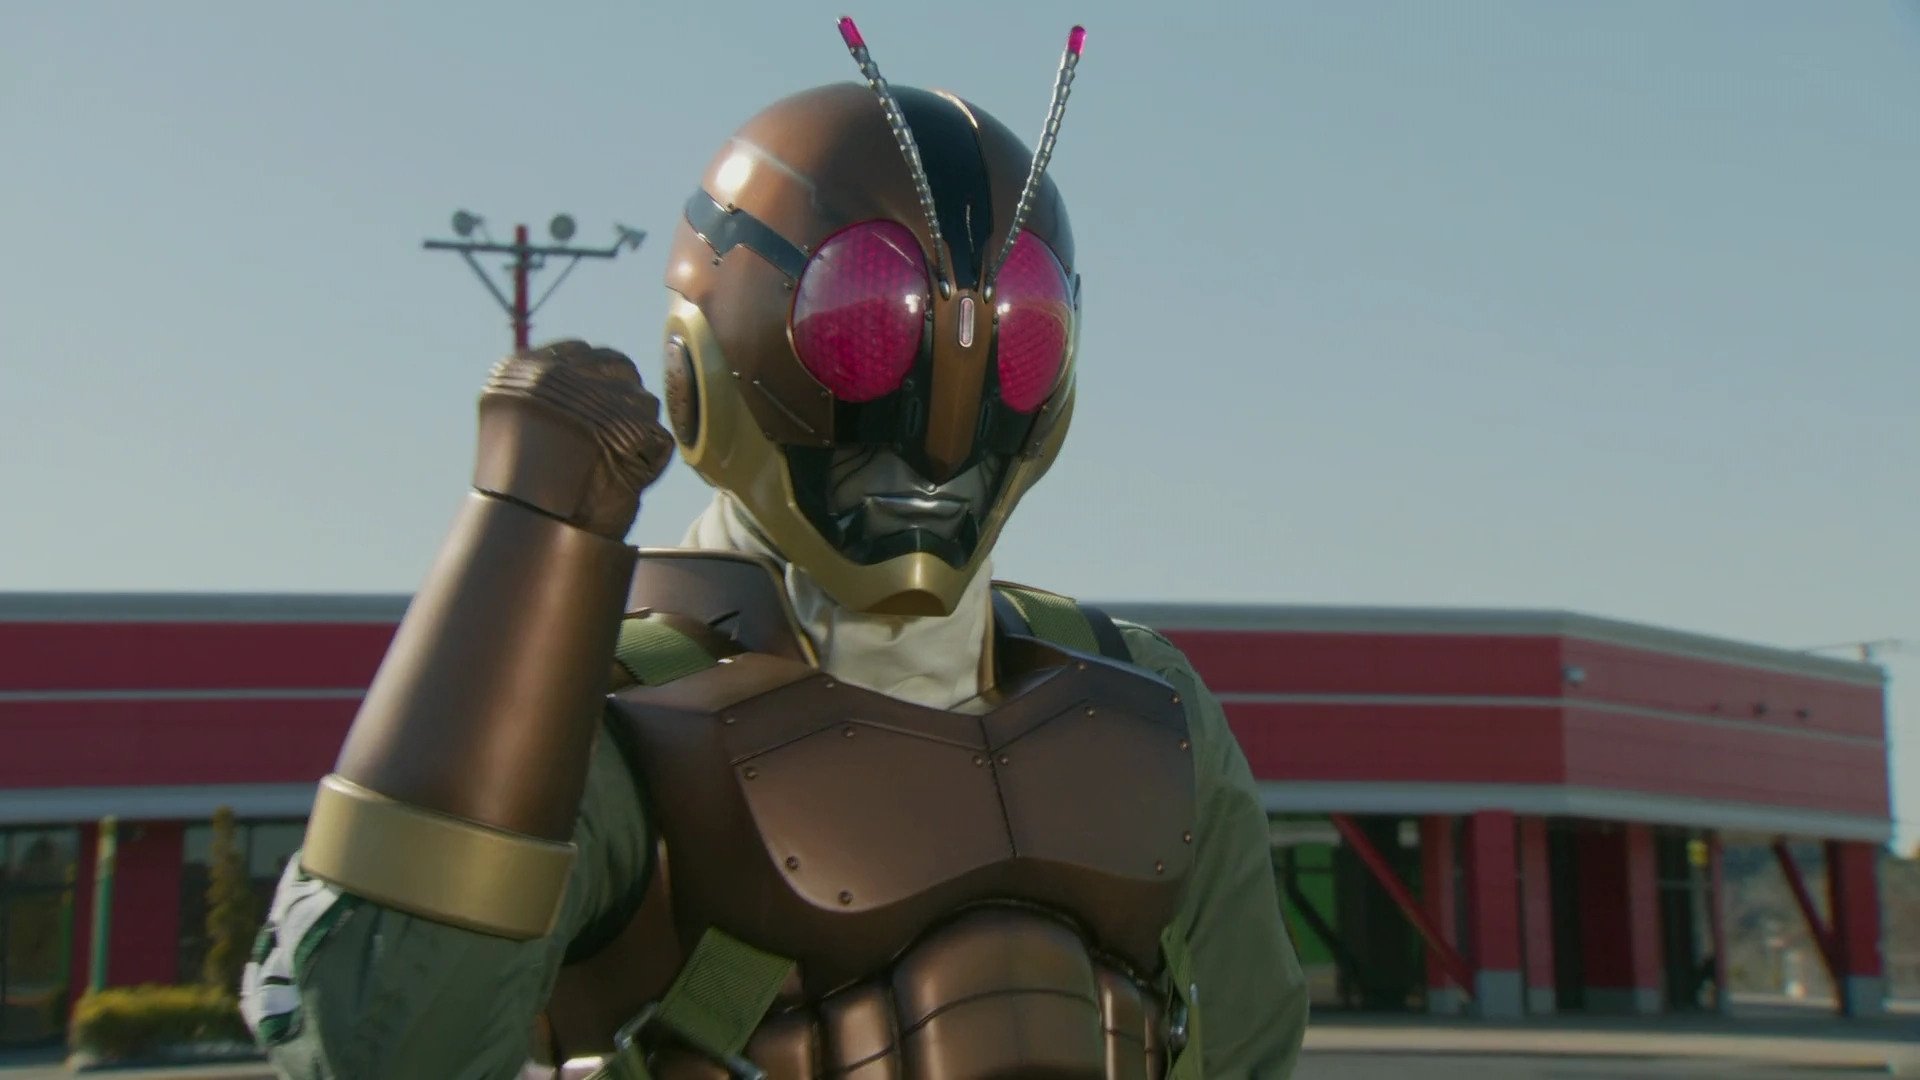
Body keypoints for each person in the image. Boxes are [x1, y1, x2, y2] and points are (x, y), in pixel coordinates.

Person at [242, 18, 1308, 1080]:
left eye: (1019, 337)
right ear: (712, 353)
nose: (940, 435)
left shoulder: (1145, 700)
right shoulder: (605, 717)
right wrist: (522, 544)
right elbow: (379, 1047)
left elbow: (1244, 1043)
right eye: (860, 324)